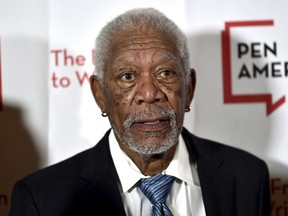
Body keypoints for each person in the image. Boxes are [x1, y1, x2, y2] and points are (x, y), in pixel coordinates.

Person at [9, 7, 271, 216]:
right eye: (127, 76)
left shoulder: (248, 177)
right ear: (100, 95)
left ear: (188, 88)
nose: (149, 93)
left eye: (165, 73)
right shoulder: (41, 201)